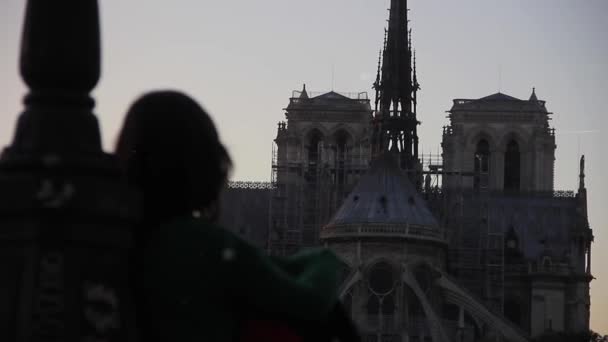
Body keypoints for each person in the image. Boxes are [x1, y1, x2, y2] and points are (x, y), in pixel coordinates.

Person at [115, 90, 359, 341]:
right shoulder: (208, 246)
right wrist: (325, 261)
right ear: (209, 164)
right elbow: (308, 302)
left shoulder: (113, 237)